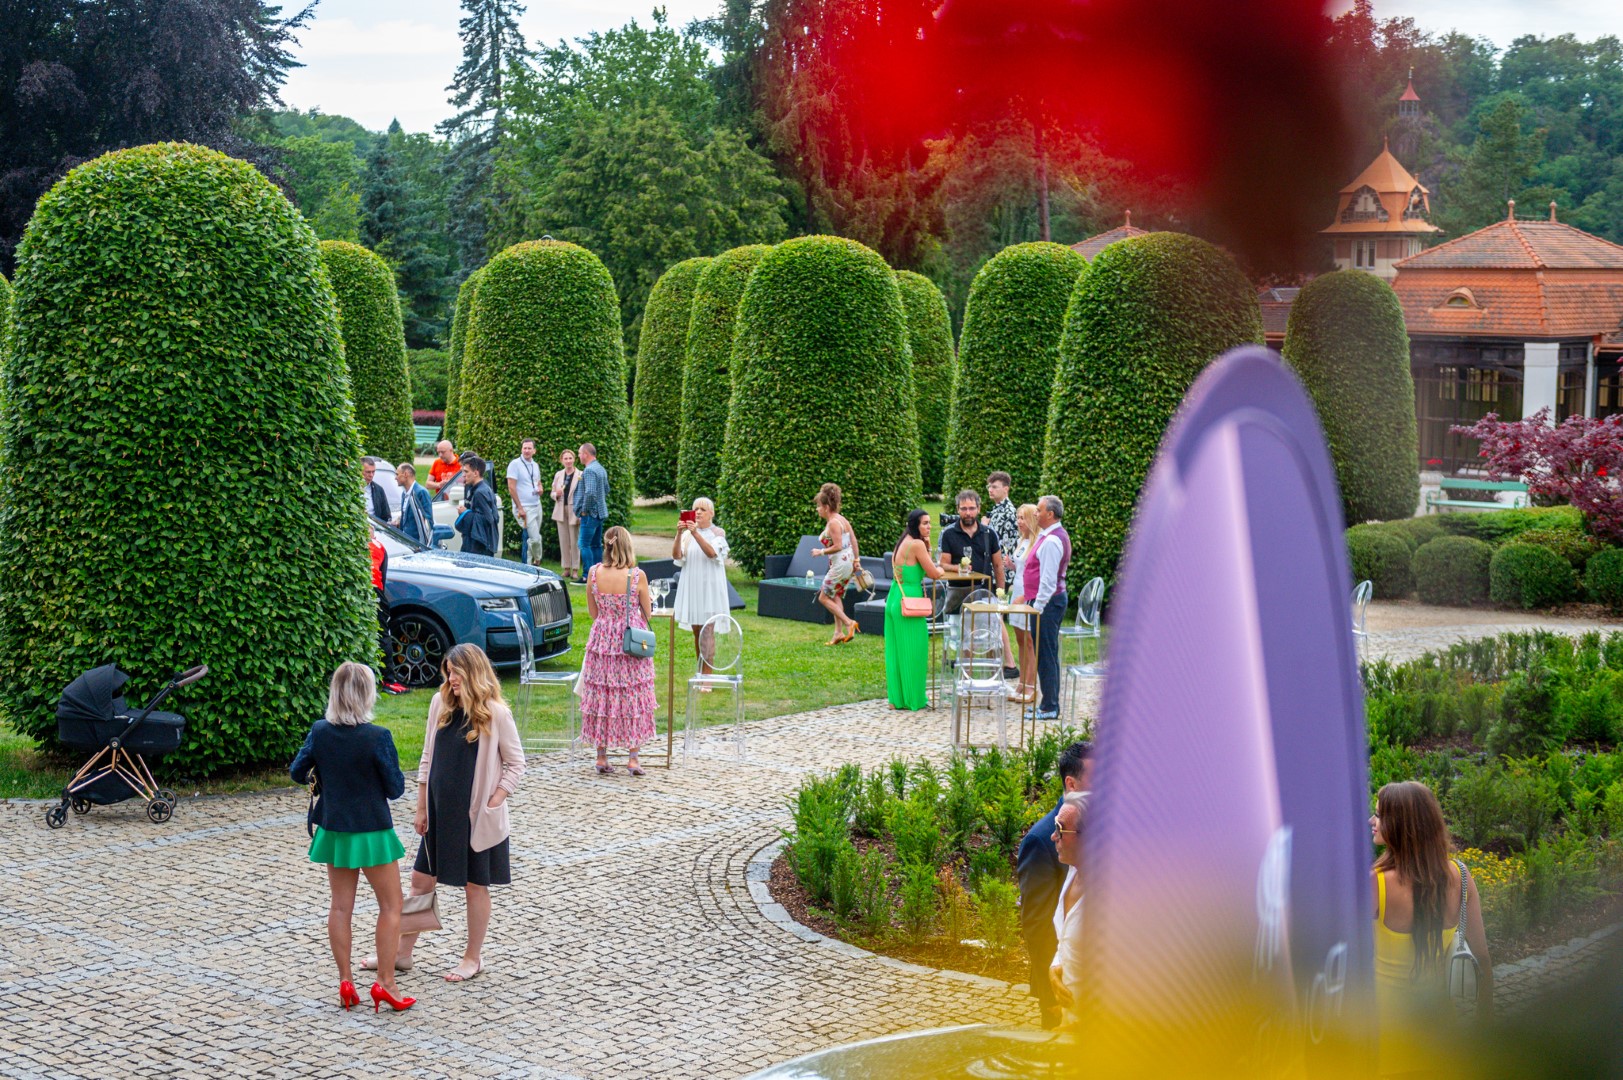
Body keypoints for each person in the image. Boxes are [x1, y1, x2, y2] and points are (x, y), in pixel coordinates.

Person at [388, 643, 525, 983]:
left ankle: (472, 957)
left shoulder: (496, 712)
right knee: (420, 881)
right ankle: (402, 953)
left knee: (474, 885)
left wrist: (495, 800)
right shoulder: (441, 704)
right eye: (448, 672)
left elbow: (516, 763)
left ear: (473, 674)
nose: (451, 679)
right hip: (438, 813)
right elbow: (426, 758)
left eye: (457, 673)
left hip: (476, 818)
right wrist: (421, 807)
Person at [290, 662, 414, 1013]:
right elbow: (395, 788)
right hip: (372, 830)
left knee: (340, 907)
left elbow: (298, 771)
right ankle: (386, 984)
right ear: (367, 694)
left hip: (335, 829)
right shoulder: (377, 737)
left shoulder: (320, 731)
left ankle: (346, 981)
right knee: (391, 906)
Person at [1372, 781, 1492, 1075]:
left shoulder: (1376, 884)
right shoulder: (1461, 877)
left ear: (1402, 825)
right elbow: (1484, 960)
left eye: (1379, 815)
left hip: (1384, 1032)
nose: (1371, 821)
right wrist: (1483, 1025)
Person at [1016, 740, 1092, 1028]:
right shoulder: (1042, 840)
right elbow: (1037, 925)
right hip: (1060, 992)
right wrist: (1050, 991)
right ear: (1071, 784)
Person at [579, 526, 657, 775]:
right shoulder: (636, 576)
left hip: (601, 640)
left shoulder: (593, 573)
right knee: (632, 695)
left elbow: (594, 613)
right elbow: (647, 611)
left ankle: (601, 756)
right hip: (629, 641)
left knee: (603, 695)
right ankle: (633, 758)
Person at [941, 488, 1010, 676]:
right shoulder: (949, 534)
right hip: (958, 594)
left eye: (971, 508)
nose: (968, 513)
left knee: (990, 638)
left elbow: (998, 566)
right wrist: (958, 568)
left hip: (984, 594)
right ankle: (966, 677)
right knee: (964, 640)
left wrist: (1001, 595)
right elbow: (943, 564)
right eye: (963, 509)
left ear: (979, 509)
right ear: (958, 509)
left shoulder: (989, 534)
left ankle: (993, 677)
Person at [885, 509, 946, 710]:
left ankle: (897, 698)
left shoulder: (903, 542)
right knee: (915, 650)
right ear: (915, 525)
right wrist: (943, 569)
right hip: (910, 601)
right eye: (925, 523)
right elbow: (934, 573)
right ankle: (914, 699)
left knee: (896, 651)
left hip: (895, 597)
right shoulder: (917, 544)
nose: (929, 526)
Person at [672, 497, 730, 676]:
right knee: (697, 630)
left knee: (707, 631)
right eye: (695, 509)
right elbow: (677, 557)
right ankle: (700, 670)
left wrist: (696, 533)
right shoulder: (688, 535)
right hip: (693, 585)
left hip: (709, 588)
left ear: (711, 513)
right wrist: (679, 534)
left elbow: (712, 553)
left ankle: (707, 675)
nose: (698, 512)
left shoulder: (717, 532)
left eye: (703, 509)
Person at [1048, 790, 1089, 1028]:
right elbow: (1066, 938)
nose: (1053, 836)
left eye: (1060, 829)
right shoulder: (1074, 871)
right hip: (1070, 1022)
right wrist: (1056, 966)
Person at [1030, 495, 1072, 720]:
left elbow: (1048, 581)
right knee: (1046, 653)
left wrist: (1037, 607)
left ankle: (1049, 706)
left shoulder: (1052, 541)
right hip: (1050, 601)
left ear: (1050, 514)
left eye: (1039, 509)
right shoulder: (1050, 535)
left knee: (1046, 654)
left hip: (1049, 602)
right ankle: (1048, 702)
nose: (1035, 513)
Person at [811, 483, 860, 645]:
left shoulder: (833, 522)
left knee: (823, 597)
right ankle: (838, 633)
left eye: (818, 506)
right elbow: (853, 540)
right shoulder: (842, 519)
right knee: (836, 595)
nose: (817, 509)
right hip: (847, 563)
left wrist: (821, 552)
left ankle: (848, 623)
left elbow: (838, 545)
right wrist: (856, 560)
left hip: (840, 565)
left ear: (826, 507)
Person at [1007, 503, 1041, 704]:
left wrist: (1025, 596)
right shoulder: (1022, 541)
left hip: (1027, 595)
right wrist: (1011, 565)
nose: (1019, 522)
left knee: (1029, 641)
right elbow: (1020, 569)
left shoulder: (1037, 543)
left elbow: (1035, 574)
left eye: (1023, 518)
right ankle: (1021, 682)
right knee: (1019, 639)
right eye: (1018, 518)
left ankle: (1031, 685)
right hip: (1016, 591)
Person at [574, 443, 610, 580]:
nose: (578, 456)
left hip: (590, 514)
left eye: (579, 453)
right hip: (600, 512)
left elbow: (589, 493)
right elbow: (606, 489)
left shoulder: (589, 470)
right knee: (596, 545)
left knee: (584, 544)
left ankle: (587, 576)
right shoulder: (600, 468)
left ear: (585, 454)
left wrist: (584, 511)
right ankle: (599, 574)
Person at [506, 439, 544, 566]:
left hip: (537, 504)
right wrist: (520, 508)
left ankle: (527, 566)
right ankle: (538, 559)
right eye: (524, 448)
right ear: (521, 449)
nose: (527, 451)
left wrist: (540, 489)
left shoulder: (535, 465)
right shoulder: (515, 464)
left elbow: (537, 482)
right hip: (525, 507)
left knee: (532, 538)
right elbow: (511, 487)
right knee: (535, 538)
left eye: (529, 448)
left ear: (534, 450)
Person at [455, 455, 500, 557]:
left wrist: (465, 513)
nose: (463, 475)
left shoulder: (480, 492)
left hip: (479, 546)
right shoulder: (484, 488)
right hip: (480, 543)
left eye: (466, 472)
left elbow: (489, 519)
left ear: (476, 473)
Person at [984, 471, 1019, 590]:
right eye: (989, 486)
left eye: (994, 487)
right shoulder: (998, 509)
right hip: (996, 570)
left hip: (1001, 573)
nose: (990, 490)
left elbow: (1004, 545)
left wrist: (984, 528)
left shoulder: (1008, 512)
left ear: (1006, 489)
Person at [551, 449, 582, 580]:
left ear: (574, 459)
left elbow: (582, 494)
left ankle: (575, 569)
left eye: (570, 458)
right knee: (563, 541)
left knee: (574, 541)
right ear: (562, 460)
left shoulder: (581, 474)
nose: (568, 461)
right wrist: (555, 495)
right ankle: (566, 568)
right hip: (560, 510)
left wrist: (581, 511)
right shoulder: (558, 474)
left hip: (574, 510)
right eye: (566, 458)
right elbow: (552, 492)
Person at [395, 462, 434, 547]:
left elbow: (428, 521)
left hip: (417, 544)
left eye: (397, 474)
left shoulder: (421, 492)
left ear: (405, 474)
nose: (395, 478)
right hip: (406, 543)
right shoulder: (404, 494)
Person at [362, 458, 390, 523]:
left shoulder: (379, 490)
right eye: (368, 472)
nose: (371, 475)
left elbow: (386, 515)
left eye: (373, 472)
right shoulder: (353, 490)